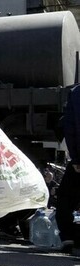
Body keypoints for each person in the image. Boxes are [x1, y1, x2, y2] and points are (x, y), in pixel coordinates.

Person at [56, 85, 80, 253]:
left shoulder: (77, 93)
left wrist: (76, 158)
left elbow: (70, 127)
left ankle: (69, 239)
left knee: (66, 198)